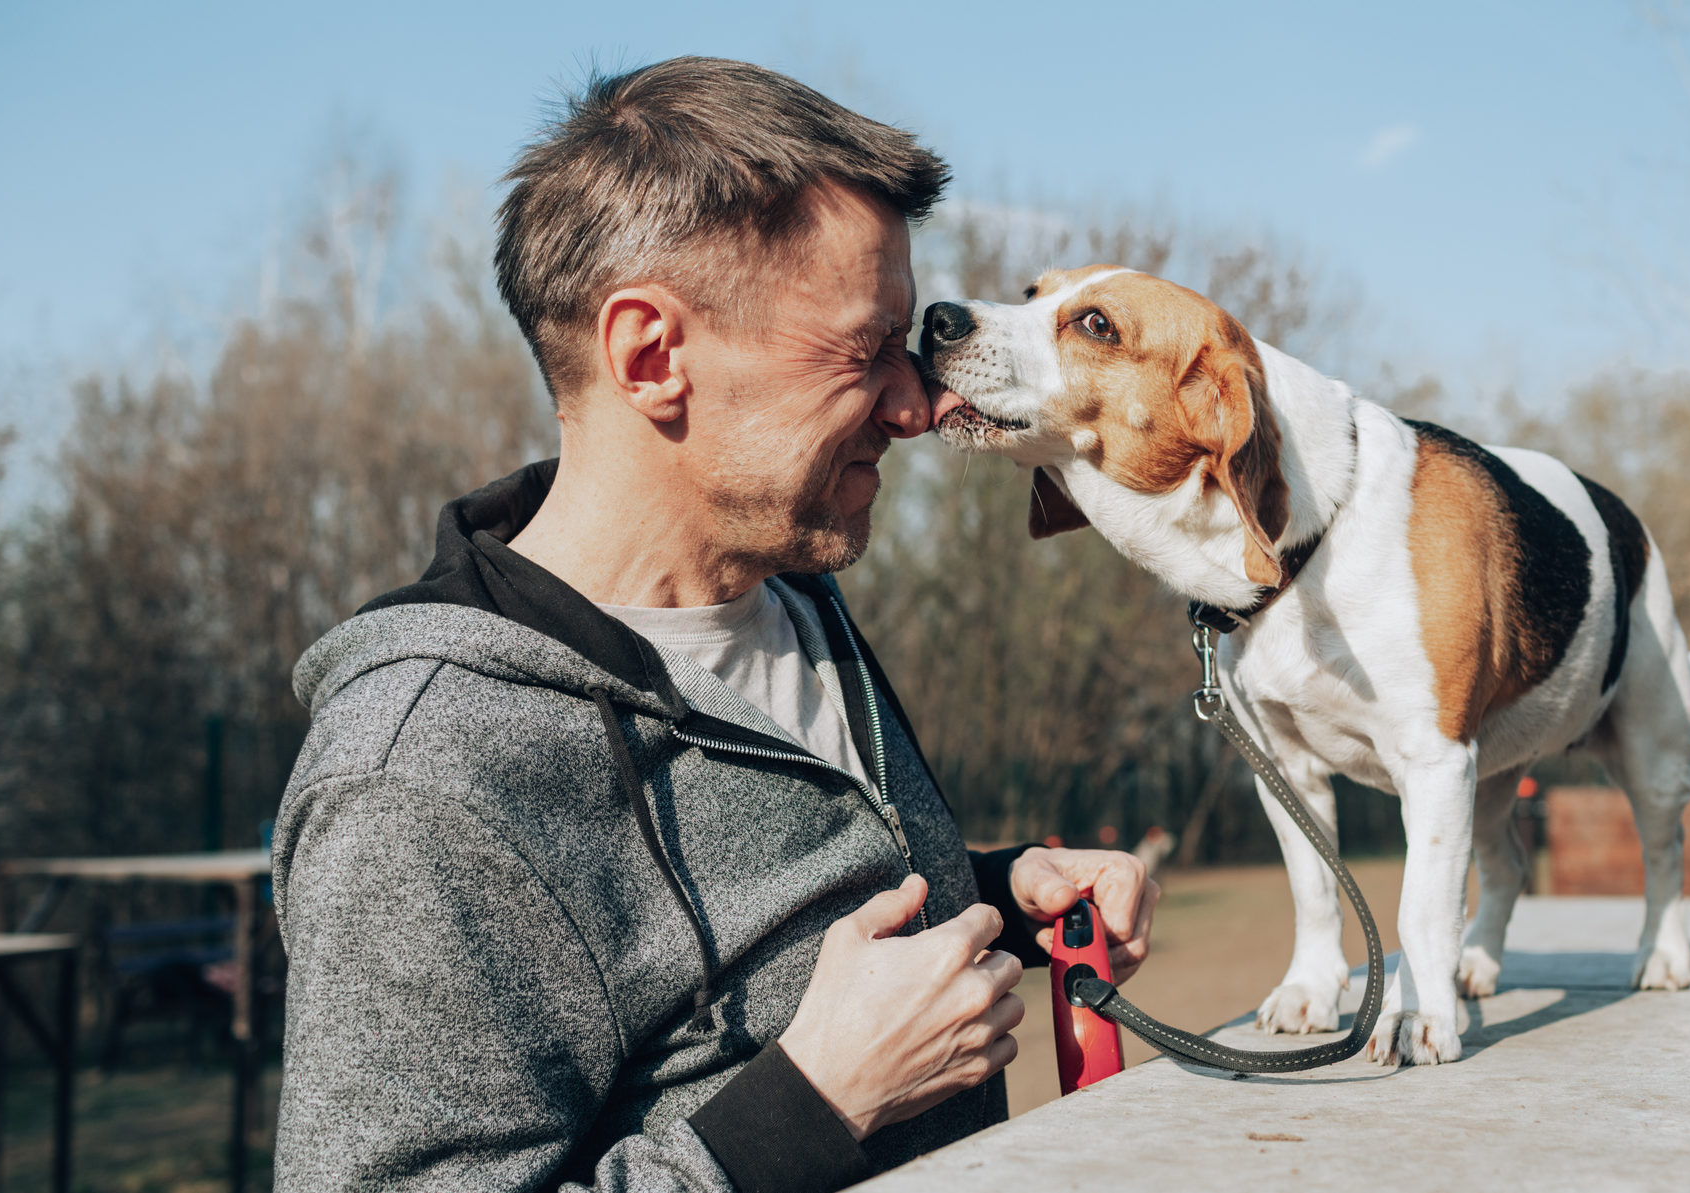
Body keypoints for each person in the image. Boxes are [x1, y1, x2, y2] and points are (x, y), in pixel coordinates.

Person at [270, 57, 1160, 1193]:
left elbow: (748, 960)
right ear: (652, 357)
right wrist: (813, 1103)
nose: (920, 403)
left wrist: (989, 893)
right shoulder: (420, 781)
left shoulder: (791, 594)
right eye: (865, 347)